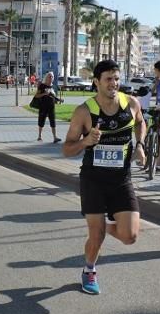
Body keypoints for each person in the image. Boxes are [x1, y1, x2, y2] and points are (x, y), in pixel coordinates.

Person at [62, 59, 147, 295]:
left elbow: (141, 123)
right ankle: (89, 269)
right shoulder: (84, 112)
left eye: (117, 79)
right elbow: (67, 149)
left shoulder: (130, 103)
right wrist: (85, 141)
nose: (114, 83)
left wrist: (139, 145)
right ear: (96, 82)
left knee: (130, 236)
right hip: (93, 180)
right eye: (108, 79)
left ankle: (104, 228)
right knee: (95, 236)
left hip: (121, 179)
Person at [34, 71, 62, 143]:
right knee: (41, 121)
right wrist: (44, 93)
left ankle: (55, 137)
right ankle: (39, 136)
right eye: (49, 76)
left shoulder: (52, 86)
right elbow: (36, 96)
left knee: (53, 122)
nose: (51, 78)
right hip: (43, 107)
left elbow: (53, 96)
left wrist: (59, 100)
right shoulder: (42, 86)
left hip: (51, 107)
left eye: (52, 77)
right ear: (46, 78)